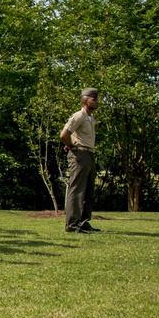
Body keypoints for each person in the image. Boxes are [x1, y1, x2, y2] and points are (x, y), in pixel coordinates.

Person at [60, 87, 100, 233]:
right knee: (77, 189)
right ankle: (72, 224)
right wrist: (70, 146)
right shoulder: (79, 116)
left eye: (96, 99)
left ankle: (83, 222)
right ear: (84, 100)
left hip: (89, 154)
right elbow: (64, 134)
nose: (96, 102)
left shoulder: (90, 118)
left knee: (88, 190)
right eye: (93, 99)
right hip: (80, 154)